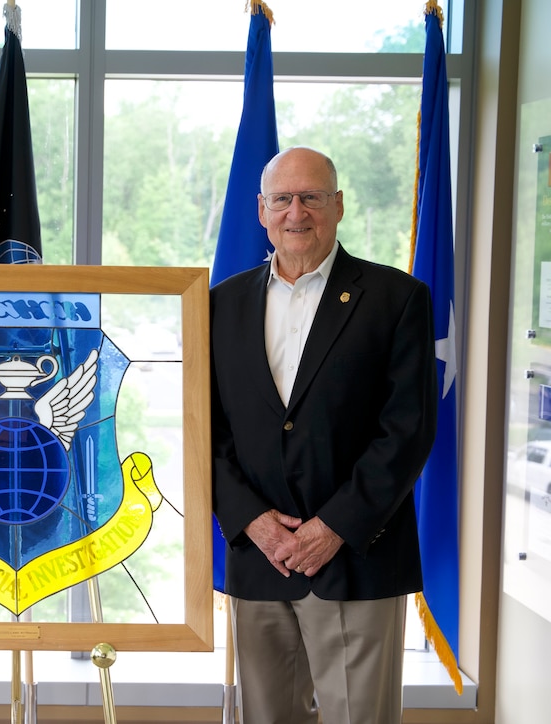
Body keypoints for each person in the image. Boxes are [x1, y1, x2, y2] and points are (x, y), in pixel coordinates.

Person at [210, 146, 437, 724]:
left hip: (357, 557)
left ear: (337, 206)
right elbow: (204, 430)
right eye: (283, 199)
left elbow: (407, 431)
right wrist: (253, 521)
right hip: (260, 559)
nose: (297, 212)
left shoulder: (397, 299)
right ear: (261, 210)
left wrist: (333, 527)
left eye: (311, 197)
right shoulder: (220, 304)